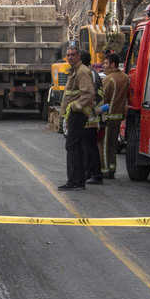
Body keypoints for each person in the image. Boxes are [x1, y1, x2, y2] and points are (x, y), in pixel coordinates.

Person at [57, 44, 94, 191]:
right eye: (68, 55)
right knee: (77, 146)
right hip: (74, 114)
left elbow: (88, 94)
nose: (70, 57)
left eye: (73, 55)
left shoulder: (82, 72)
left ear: (78, 56)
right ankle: (79, 181)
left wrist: (75, 106)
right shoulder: (74, 71)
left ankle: (73, 181)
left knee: (71, 146)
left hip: (78, 114)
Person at [99, 51, 129, 179]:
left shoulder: (107, 79)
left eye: (106, 63)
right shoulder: (125, 78)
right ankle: (112, 169)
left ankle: (105, 171)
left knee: (105, 146)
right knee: (113, 146)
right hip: (118, 117)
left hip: (108, 117)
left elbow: (103, 98)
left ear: (112, 64)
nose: (103, 65)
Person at [80, 50, 105, 185]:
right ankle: (89, 173)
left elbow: (89, 96)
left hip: (89, 117)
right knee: (87, 147)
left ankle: (95, 174)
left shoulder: (89, 74)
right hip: (89, 116)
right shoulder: (91, 73)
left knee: (90, 147)